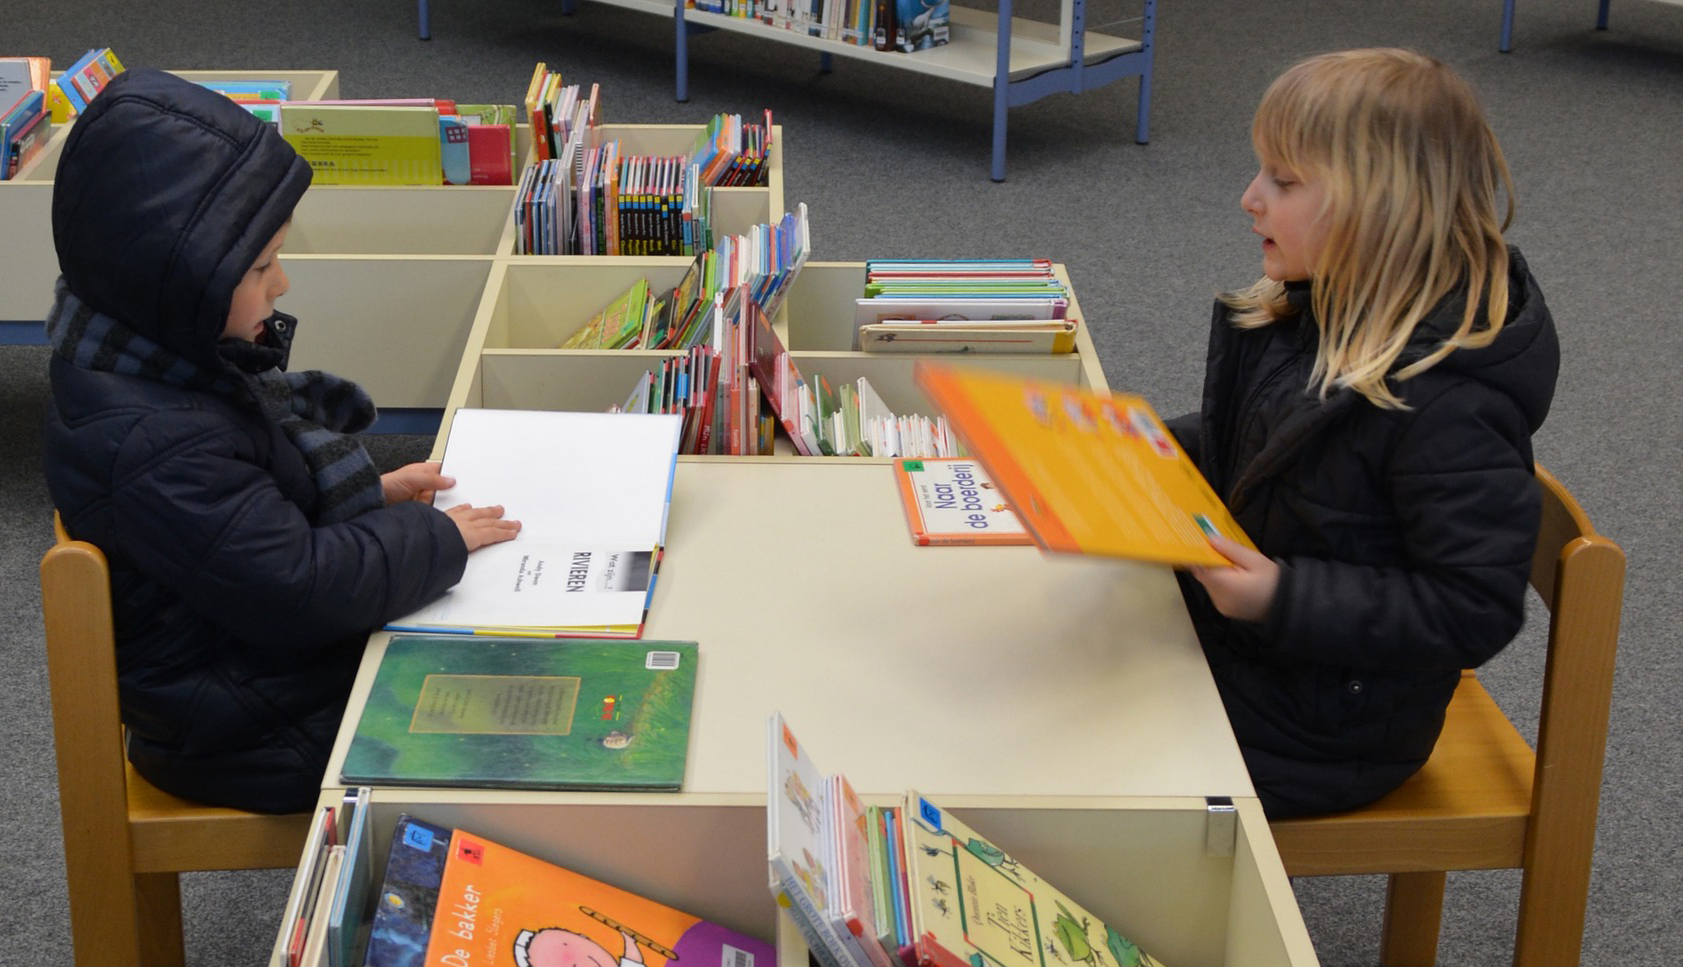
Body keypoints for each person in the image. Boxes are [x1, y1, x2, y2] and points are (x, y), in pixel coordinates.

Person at [41, 68, 522, 814]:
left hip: (247, 670)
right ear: (177, 288)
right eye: (261, 267)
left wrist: (373, 492)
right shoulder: (156, 445)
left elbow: (251, 510)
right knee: (514, 725)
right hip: (251, 724)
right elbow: (299, 588)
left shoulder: (146, 366)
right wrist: (434, 539)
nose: (283, 283)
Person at [1167, 48, 1560, 818]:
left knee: (1062, 743)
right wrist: (1142, 445)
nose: (1249, 198)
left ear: (1379, 208)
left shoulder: (1449, 405)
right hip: (1259, 658)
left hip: (1321, 731)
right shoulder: (1313, 304)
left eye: (1282, 180)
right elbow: (1262, 451)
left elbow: (1470, 607)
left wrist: (1282, 596)